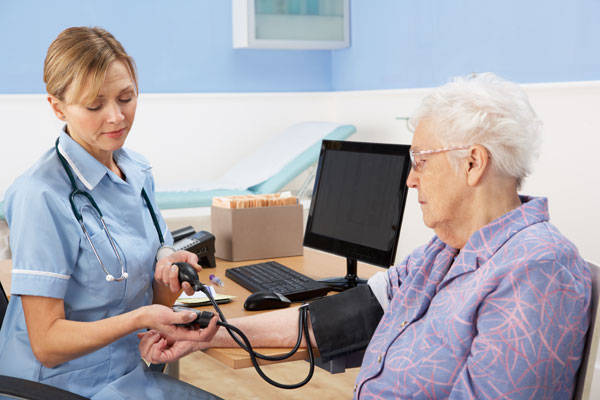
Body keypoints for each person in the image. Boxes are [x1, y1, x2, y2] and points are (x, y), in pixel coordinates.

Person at [139, 73, 592, 399]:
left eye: (421, 161)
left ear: (473, 163)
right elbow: (340, 317)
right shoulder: (442, 253)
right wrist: (211, 334)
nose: (410, 180)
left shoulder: (536, 270)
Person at [0, 27, 221, 399]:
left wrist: (169, 273)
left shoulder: (138, 172)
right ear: (57, 106)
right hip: (53, 386)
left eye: (126, 97)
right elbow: (47, 343)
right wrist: (139, 320)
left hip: (125, 372)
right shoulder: (40, 195)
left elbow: (154, 298)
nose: (116, 117)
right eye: (94, 106)